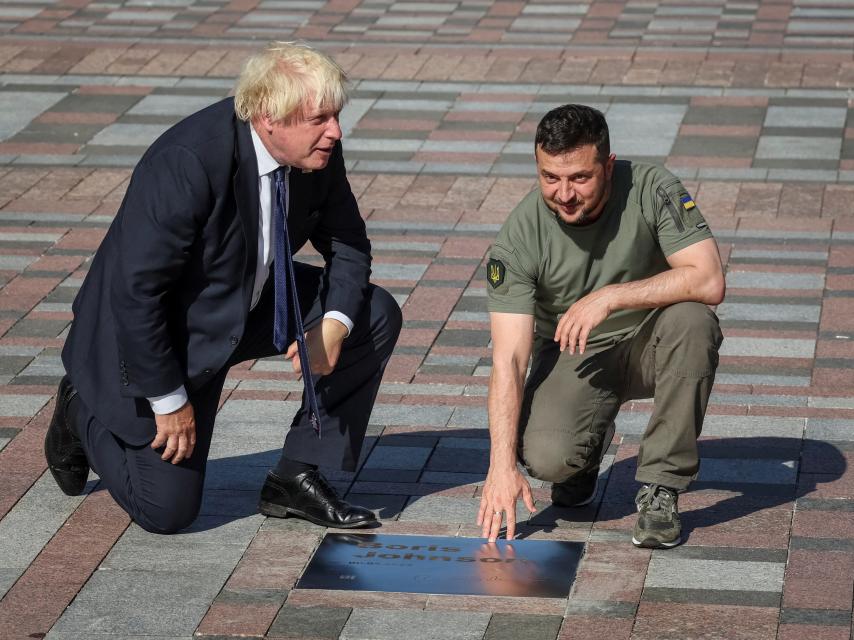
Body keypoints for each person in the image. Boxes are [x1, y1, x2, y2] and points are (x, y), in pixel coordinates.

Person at [44, 41, 402, 534]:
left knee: (372, 311)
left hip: (246, 301)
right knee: (166, 511)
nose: (335, 132)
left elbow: (349, 244)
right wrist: (169, 402)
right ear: (267, 117)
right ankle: (80, 405)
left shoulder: (317, 151)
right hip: (161, 333)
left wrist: (335, 324)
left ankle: (296, 476)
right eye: (319, 118)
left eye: (336, 116)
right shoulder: (187, 161)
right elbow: (136, 295)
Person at [477, 104, 725, 549]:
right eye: (550, 178)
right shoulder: (518, 239)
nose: (564, 194)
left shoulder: (652, 187)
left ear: (608, 166)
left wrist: (610, 297)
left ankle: (661, 487)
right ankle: (585, 452)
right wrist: (500, 467)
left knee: (695, 321)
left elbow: (707, 278)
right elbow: (508, 360)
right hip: (576, 353)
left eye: (580, 178)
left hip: (655, 339)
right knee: (547, 460)